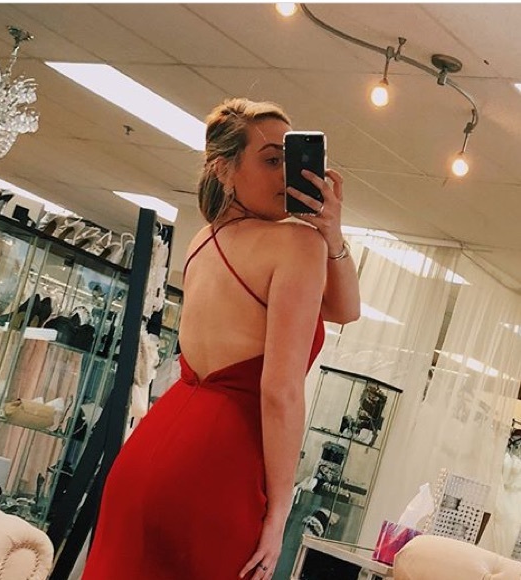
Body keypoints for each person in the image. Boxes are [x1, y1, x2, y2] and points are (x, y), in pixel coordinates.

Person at [82, 97, 360, 580]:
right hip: (220, 470)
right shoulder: (297, 243)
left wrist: (332, 234)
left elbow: (342, 309)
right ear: (223, 169)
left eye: (292, 160)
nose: (287, 174)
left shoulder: (202, 241)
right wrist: (279, 513)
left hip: (147, 456)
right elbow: (281, 391)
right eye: (271, 160)